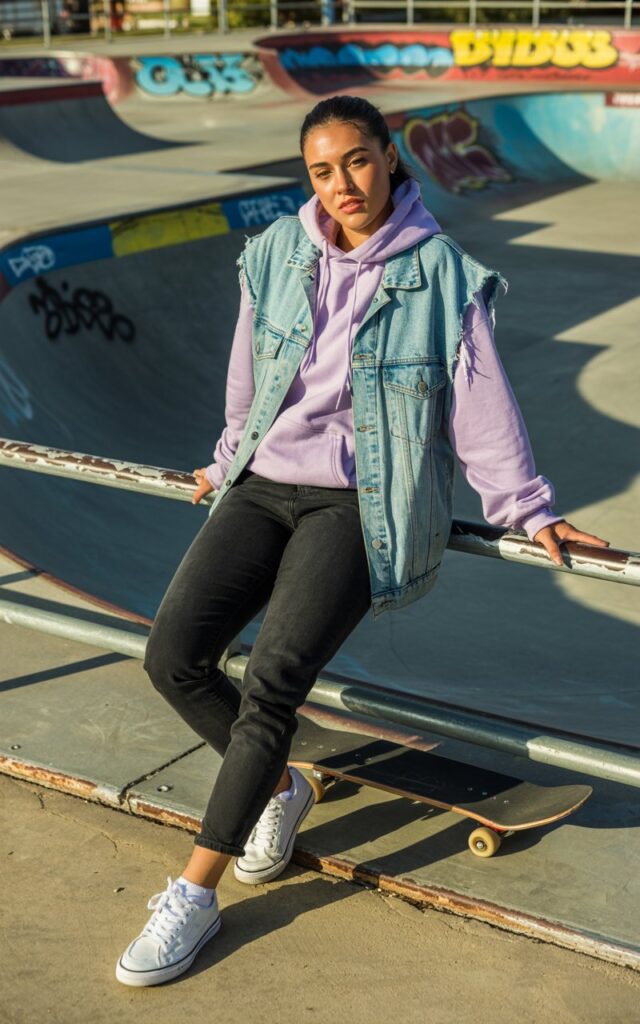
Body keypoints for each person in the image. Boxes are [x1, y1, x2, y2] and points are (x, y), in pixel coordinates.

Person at [115, 95, 609, 987]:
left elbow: (482, 405)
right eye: (321, 170)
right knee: (172, 657)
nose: (341, 184)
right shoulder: (277, 251)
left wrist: (528, 508)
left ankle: (193, 893)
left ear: (389, 157)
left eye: (355, 160)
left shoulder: (441, 273)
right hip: (263, 484)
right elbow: (248, 372)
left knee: (272, 682)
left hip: (355, 502)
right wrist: (226, 459)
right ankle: (280, 787)